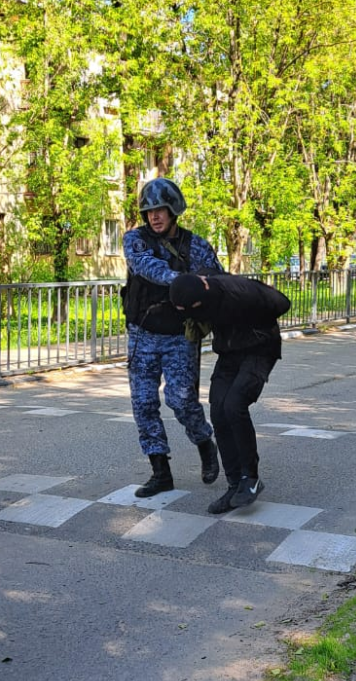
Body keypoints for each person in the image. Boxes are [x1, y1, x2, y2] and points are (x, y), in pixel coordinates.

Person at [122, 177, 223, 497]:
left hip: (180, 336)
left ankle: (205, 442)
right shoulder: (134, 240)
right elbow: (146, 267)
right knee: (144, 404)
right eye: (149, 211)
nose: (154, 216)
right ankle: (160, 471)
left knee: (181, 400)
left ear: (173, 210)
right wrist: (183, 281)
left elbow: (217, 281)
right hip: (143, 335)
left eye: (160, 210)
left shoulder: (196, 246)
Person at [169, 273, 291, 514]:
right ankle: (235, 484)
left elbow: (282, 303)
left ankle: (251, 478)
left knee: (234, 405)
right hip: (229, 352)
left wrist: (253, 323)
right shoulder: (190, 296)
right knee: (218, 410)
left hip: (260, 349)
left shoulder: (239, 291)